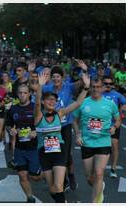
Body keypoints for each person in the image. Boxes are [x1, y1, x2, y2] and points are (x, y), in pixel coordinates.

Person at [35, 71, 90, 203]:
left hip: (59, 152)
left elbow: (77, 103)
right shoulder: (38, 116)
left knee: (59, 186)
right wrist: (40, 86)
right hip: (44, 153)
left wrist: (86, 87)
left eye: (54, 100)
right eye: (49, 99)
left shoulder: (59, 114)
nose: (52, 102)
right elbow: (37, 103)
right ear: (43, 102)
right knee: (52, 189)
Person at [73, 77, 121, 203]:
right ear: (90, 88)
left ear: (103, 88)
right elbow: (74, 120)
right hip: (87, 143)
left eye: (98, 87)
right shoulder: (83, 102)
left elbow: (118, 119)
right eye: (93, 87)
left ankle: (95, 202)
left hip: (103, 142)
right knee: (90, 178)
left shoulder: (110, 104)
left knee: (99, 173)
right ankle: (100, 186)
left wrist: (114, 127)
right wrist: (78, 134)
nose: (96, 89)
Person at [42, 60, 87, 191]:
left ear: (62, 78)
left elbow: (83, 82)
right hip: (51, 127)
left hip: (65, 125)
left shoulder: (69, 87)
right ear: (51, 79)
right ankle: (63, 179)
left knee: (66, 154)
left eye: (58, 76)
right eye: (54, 76)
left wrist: (84, 70)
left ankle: (71, 175)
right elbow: (36, 89)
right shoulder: (47, 88)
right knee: (53, 152)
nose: (56, 79)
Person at [6, 84, 43, 203]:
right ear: (17, 94)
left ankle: (47, 173)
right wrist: (10, 130)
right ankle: (30, 197)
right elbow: (8, 125)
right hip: (19, 148)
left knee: (35, 177)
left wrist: (36, 132)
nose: (22, 95)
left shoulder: (35, 108)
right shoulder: (13, 109)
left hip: (34, 148)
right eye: (20, 93)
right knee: (22, 174)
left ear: (29, 94)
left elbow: (45, 124)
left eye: (25, 93)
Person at [102, 76, 126, 178]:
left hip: (114, 124)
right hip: (100, 125)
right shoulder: (98, 94)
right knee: (102, 147)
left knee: (114, 144)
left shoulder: (117, 95)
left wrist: (122, 110)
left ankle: (113, 168)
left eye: (110, 84)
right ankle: (99, 167)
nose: (108, 85)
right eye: (106, 83)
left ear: (113, 85)